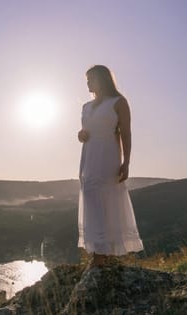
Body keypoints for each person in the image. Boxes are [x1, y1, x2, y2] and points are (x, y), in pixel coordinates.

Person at [77, 65, 144, 267]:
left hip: (108, 155)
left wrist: (127, 162)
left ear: (102, 79)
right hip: (89, 155)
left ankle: (104, 254)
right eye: (87, 79)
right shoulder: (86, 106)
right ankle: (99, 250)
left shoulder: (119, 102)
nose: (88, 83)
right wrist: (81, 135)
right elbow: (85, 132)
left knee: (108, 199)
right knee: (90, 197)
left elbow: (126, 133)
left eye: (91, 79)